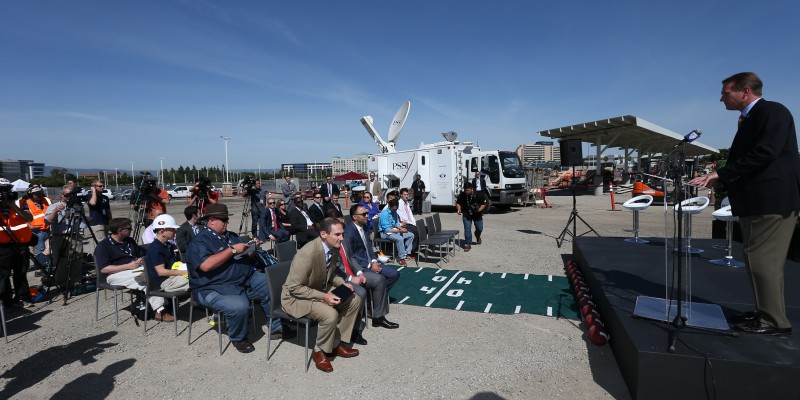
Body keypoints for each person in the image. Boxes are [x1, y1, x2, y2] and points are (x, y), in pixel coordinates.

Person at [689, 72, 800, 336]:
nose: (721, 99)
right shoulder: (752, 117)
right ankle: (765, 312)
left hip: (771, 200)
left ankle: (774, 321)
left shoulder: (772, 112)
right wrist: (719, 179)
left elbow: (765, 153)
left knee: (763, 261)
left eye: (726, 93)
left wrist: (720, 174)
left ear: (745, 91)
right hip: (759, 201)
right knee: (756, 259)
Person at [186, 203, 282, 353]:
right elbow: (206, 265)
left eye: (226, 219)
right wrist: (231, 250)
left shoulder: (231, 236)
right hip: (212, 286)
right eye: (223, 219)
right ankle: (239, 338)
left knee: (270, 285)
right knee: (239, 307)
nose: (226, 222)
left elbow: (245, 254)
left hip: (243, 278)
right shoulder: (200, 241)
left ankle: (275, 325)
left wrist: (251, 247)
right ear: (211, 220)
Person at [281, 217, 362, 373]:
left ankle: (335, 343)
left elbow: (329, 276)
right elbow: (294, 287)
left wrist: (342, 283)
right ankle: (319, 351)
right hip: (295, 298)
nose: (342, 238)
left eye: (342, 234)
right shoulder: (307, 254)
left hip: (315, 289)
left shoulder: (333, 247)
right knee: (329, 314)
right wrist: (324, 297)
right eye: (337, 234)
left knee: (354, 300)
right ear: (324, 234)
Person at [94, 218, 173, 320]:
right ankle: (160, 310)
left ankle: (168, 302)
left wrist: (140, 260)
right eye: (129, 228)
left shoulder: (129, 241)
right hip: (115, 274)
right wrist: (128, 266)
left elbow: (141, 254)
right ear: (119, 231)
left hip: (136, 269)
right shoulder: (103, 246)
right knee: (147, 279)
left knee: (154, 273)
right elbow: (104, 269)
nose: (132, 229)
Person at [345, 204, 400, 328]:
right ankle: (378, 318)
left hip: (370, 263)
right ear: (354, 217)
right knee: (379, 280)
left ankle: (375, 302)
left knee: (394, 274)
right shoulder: (349, 233)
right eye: (364, 214)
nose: (367, 216)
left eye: (367, 213)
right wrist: (370, 265)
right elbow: (351, 257)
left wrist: (374, 261)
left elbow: (368, 248)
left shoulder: (363, 227)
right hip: (360, 268)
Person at [144, 214, 190, 321]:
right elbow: (161, 272)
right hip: (166, 282)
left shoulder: (167, 245)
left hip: (173, 278)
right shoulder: (155, 249)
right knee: (199, 279)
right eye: (172, 229)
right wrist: (186, 271)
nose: (175, 232)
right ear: (162, 232)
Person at [1, 179, 35, 308]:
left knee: (20, 273)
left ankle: (23, 297)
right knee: (3, 276)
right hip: (2, 246)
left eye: (7, 189)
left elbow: (29, 218)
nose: (5, 193)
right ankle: (6, 300)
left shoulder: (19, 203)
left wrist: (12, 205)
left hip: (20, 244)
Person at [45, 186, 85, 295]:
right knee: (60, 261)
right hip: (60, 236)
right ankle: (62, 284)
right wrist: (55, 211)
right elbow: (47, 221)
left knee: (77, 258)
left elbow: (83, 221)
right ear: (61, 195)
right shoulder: (54, 206)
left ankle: (75, 282)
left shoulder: (76, 206)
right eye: (67, 195)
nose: (69, 198)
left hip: (74, 235)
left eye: (71, 195)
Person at [20, 184, 51, 266]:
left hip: (48, 229)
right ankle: (41, 266)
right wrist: (30, 226)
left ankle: (46, 264)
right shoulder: (25, 203)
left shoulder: (46, 200)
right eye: (37, 194)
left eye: (40, 193)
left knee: (49, 250)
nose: (39, 196)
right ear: (31, 195)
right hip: (37, 231)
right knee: (40, 250)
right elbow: (22, 217)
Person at [378, 198, 414, 265]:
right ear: (390, 207)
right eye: (394, 209)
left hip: (393, 230)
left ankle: (406, 253)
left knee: (411, 235)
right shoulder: (384, 214)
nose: (395, 210)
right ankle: (401, 258)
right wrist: (400, 230)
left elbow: (396, 223)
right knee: (399, 238)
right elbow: (387, 229)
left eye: (396, 209)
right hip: (385, 233)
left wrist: (401, 228)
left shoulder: (395, 212)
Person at [456, 182, 488, 251]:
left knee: (479, 228)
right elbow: (458, 203)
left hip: (477, 214)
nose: (466, 192)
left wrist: (479, 210)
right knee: (467, 229)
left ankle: (478, 236)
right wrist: (459, 209)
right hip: (467, 214)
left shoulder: (479, 194)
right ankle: (467, 243)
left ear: (472, 189)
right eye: (465, 190)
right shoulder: (462, 195)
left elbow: (484, 204)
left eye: (468, 190)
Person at [87, 180, 112, 251]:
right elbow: (93, 203)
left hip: (105, 222)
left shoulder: (105, 197)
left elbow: (108, 210)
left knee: (107, 242)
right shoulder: (90, 196)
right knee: (101, 243)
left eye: (103, 186)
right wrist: (94, 192)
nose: (102, 187)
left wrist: (110, 221)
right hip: (97, 222)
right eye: (100, 186)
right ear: (94, 187)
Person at [396, 188, 419, 256]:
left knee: (424, 228)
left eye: (407, 194)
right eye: (405, 194)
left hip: (410, 222)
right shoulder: (399, 204)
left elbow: (410, 214)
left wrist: (414, 223)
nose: (406, 196)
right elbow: (403, 218)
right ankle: (411, 251)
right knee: (416, 231)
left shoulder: (407, 203)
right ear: (401, 195)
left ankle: (417, 247)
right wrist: (412, 224)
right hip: (404, 224)